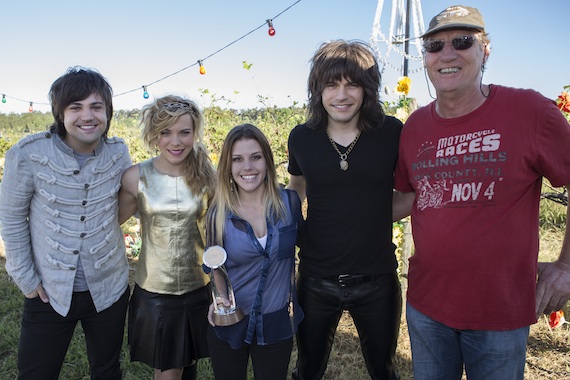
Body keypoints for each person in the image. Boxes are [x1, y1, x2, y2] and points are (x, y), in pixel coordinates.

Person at [393, 5, 570, 379]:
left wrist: (566, 266)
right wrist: (335, 211)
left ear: (485, 50)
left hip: (500, 316)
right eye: (435, 46)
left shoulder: (530, 112)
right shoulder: (414, 127)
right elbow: (411, 197)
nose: (447, 54)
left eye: (462, 41)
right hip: (427, 309)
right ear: (425, 58)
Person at [0, 66, 132, 379]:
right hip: (49, 289)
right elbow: (12, 216)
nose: (87, 116)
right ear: (60, 113)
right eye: (76, 107)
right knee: (36, 372)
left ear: (108, 112)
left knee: (107, 369)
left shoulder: (118, 153)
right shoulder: (29, 154)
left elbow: (127, 201)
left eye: (96, 107)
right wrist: (26, 278)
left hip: (109, 288)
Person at [287, 40, 403, 380]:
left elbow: (410, 194)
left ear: (367, 89)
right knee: (307, 369)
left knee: (384, 370)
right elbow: (297, 188)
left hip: (377, 278)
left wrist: (367, 216)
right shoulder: (302, 138)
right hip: (315, 278)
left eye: (352, 83)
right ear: (317, 90)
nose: (342, 94)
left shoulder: (391, 132)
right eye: (331, 84)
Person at [118, 95, 216, 380]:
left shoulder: (207, 176)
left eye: (184, 132)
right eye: (166, 132)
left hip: (198, 287)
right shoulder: (136, 177)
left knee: (188, 366)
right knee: (168, 372)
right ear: (154, 135)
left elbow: (222, 226)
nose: (176, 141)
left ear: (194, 133)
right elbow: (108, 225)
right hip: (157, 292)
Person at [205, 123, 304, 380]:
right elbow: (215, 264)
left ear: (267, 161)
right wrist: (220, 298)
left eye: (255, 157)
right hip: (231, 322)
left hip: (274, 321)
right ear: (228, 166)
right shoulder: (218, 213)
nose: (247, 167)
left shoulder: (289, 203)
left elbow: (309, 247)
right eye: (237, 159)